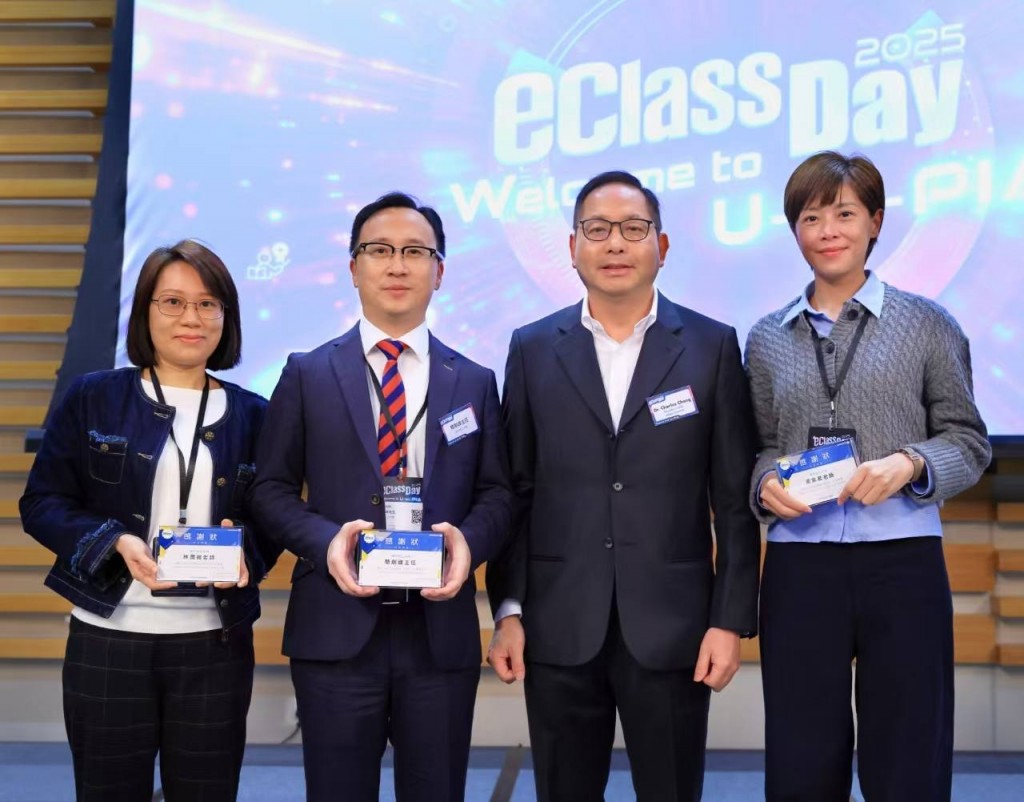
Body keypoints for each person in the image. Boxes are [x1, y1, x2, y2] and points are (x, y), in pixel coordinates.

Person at [486, 170, 761, 801]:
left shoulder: (712, 346)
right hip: (557, 625)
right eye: (598, 229)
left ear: (661, 247)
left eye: (634, 229)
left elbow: (732, 501)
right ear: (572, 246)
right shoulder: (532, 349)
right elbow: (516, 492)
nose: (615, 243)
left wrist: (729, 621)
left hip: (674, 628)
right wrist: (509, 610)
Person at [249, 192, 512, 802]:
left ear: (439, 271)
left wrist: (468, 543)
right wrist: (327, 543)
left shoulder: (474, 381)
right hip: (337, 628)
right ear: (353, 267)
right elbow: (270, 489)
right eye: (380, 250)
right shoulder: (307, 373)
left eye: (415, 252)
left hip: (437, 631)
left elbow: (498, 493)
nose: (397, 265)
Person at [745, 151, 991, 801]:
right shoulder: (766, 338)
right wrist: (764, 483)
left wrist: (911, 462)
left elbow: (968, 440)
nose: (828, 230)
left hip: (903, 562)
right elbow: (761, 447)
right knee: (801, 753)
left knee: (908, 752)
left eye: (845, 214)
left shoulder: (928, 324)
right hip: (800, 567)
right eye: (811, 217)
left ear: (875, 223)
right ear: (794, 230)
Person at [20, 240, 277, 801]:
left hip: (215, 644)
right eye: (173, 302)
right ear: (145, 312)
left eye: (208, 304)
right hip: (109, 638)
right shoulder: (95, 396)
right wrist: (113, 541)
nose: (191, 318)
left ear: (226, 318)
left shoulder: (256, 414)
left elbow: (271, 518)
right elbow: (41, 503)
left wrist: (246, 554)